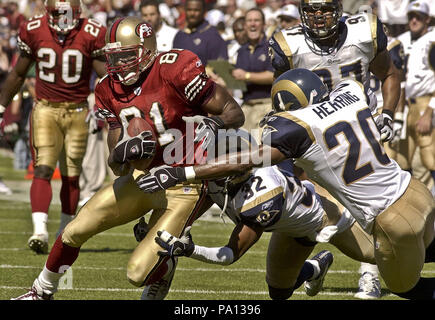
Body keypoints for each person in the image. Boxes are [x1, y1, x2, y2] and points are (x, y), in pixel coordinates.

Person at [137, 69, 435, 300]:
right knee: (426, 246)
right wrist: (383, 117)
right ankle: (314, 269)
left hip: (383, 216)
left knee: (402, 284)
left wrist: (182, 173)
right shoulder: (350, 90)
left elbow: (247, 161)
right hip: (415, 188)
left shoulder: (292, 133)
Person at [12, 16, 244, 300]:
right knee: (74, 230)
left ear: (146, 49)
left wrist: (215, 125)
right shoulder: (106, 89)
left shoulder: (175, 68)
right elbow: (117, 165)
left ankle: (166, 263)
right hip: (143, 177)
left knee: (138, 273)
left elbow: (234, 111)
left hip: (186, 183)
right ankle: (41, 290)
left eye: (125, 57)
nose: (118, 66)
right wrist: (124, 150)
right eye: (113, 58)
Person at [268, 0, 403, 299]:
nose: (318, 17)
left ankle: (371, 276)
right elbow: (282, 96)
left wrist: (389, 114)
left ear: (338, 9)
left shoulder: (363, 32)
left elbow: (390, 74)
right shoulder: (288, 44)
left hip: (359, 135)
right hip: (313, 142)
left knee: (377, 213)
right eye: (312, 10)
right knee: (305, 216)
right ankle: (312, 269)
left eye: (325, 9)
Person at [0, 0, 107, 254]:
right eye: (57, 14)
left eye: (66, 13)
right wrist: (1, 107)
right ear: (48, 13)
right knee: (43, 168)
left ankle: (65, 231)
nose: (61, 19)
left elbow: (105, 77)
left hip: (78, 110)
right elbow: (18, 73)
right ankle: (39, 230)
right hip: (45, 108)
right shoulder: (34, 29)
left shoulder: (92, 33)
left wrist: (106, 108)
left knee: (71, 174)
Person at [397, 1, 435, 194]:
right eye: (411, 16)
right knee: (405, 162)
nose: (413, 20)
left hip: (426, 103)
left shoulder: (432, 40)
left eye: (418, 17)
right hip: (407, 106)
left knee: (428, 162)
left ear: (427, 19)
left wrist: (430, 111)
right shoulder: (403, 39)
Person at [231, 8, 274, 141]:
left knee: (260, 150)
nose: (253, 24)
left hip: (266, 106)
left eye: (256, 20)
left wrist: (247, 76)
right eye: (249, 21)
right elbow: (239, 82)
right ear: (245, 25)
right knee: (240, 148)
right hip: (246, 107)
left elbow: (273, 76)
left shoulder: (271, 46)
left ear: (263, 25)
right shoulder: (241, 51)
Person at [172, 0, 228, 66]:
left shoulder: (213, 36)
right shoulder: (179, 35)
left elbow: (220, 67)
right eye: (189, 10)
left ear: (204, 12)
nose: (192, 13)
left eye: (196, 10)